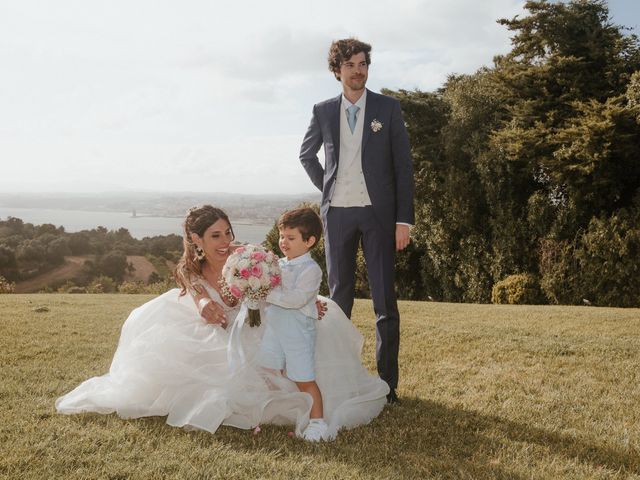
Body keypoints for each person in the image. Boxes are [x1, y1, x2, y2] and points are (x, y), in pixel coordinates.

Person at [55, 205, 389, 439]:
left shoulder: (246, 256)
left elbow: (278, 279)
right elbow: (193, 287)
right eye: (215, 236)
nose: (225, 241)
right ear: (196, 240)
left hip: (254, 321)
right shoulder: (190, 269)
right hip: (214, 326)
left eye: (227, 232)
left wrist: (307, 300)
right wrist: (203, 303)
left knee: (294, 349)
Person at [299, 38, 415, 403]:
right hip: (337, 215)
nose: (357, 70)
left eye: (362, 63)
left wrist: (403, 221)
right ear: (338, 71)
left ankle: (387, 386)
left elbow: (404, 168)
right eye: (349, 65)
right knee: (338, 301)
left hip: (378, 214)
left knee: (384, 302)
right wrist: (328, 188)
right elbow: (307, 155)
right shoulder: (322, 110)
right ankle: (340, 380)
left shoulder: (388, 108)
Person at [257, 207, 327, 441]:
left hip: (298, 332)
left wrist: (266, 293)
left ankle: (318, 423)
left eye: (290, 237)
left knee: (303, 378)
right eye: (281, 236)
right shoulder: (277, 264)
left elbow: (297, 299)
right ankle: (278, 410)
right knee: (268, 370)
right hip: (274, 328)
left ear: (309, 241)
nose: (283, 242)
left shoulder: (311, 270)